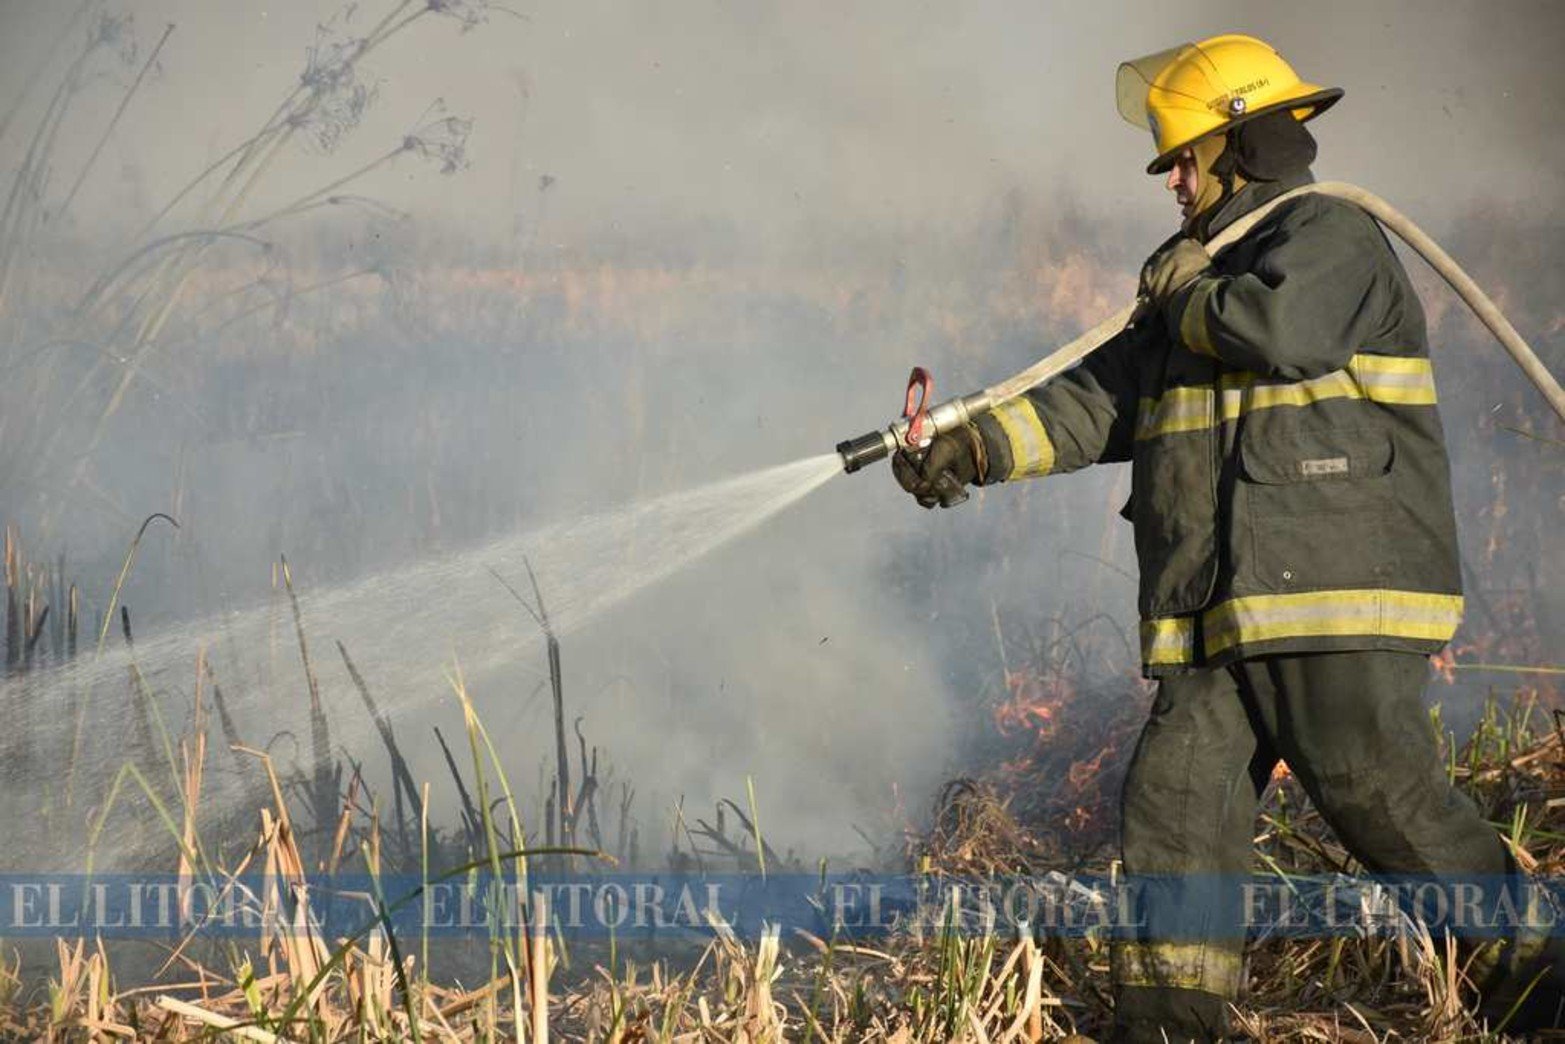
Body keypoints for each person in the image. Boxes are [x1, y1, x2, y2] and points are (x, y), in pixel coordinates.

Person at [893, 33, 1562, 1042]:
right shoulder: (1196, 276)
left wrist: (1180, 293)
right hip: (1218, 597)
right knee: (1174, 799)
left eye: (1183, 158)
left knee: (1371, 789)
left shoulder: (1325, 238)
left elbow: (1278, 332)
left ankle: (1533, 964)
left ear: (1240, 144)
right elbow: (1096, 401)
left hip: (1328, 587)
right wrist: (972, 450)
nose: (1171, 180)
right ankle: (1169, 1017)